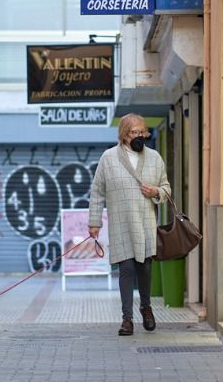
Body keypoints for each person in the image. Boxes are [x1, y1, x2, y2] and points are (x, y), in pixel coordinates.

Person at [88, 113, 171, 336]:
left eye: (143, 132)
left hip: (145, 223)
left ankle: (146, 308)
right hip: (122, 223)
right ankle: (127, 319)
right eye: (135, 132)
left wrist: (156, 192)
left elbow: (166, 188)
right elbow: (97, 191)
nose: (140, 136)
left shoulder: (154, 157)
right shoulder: (109, 158)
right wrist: (94, 222)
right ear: (124, 135)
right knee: (126, 269)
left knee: (144, 268)